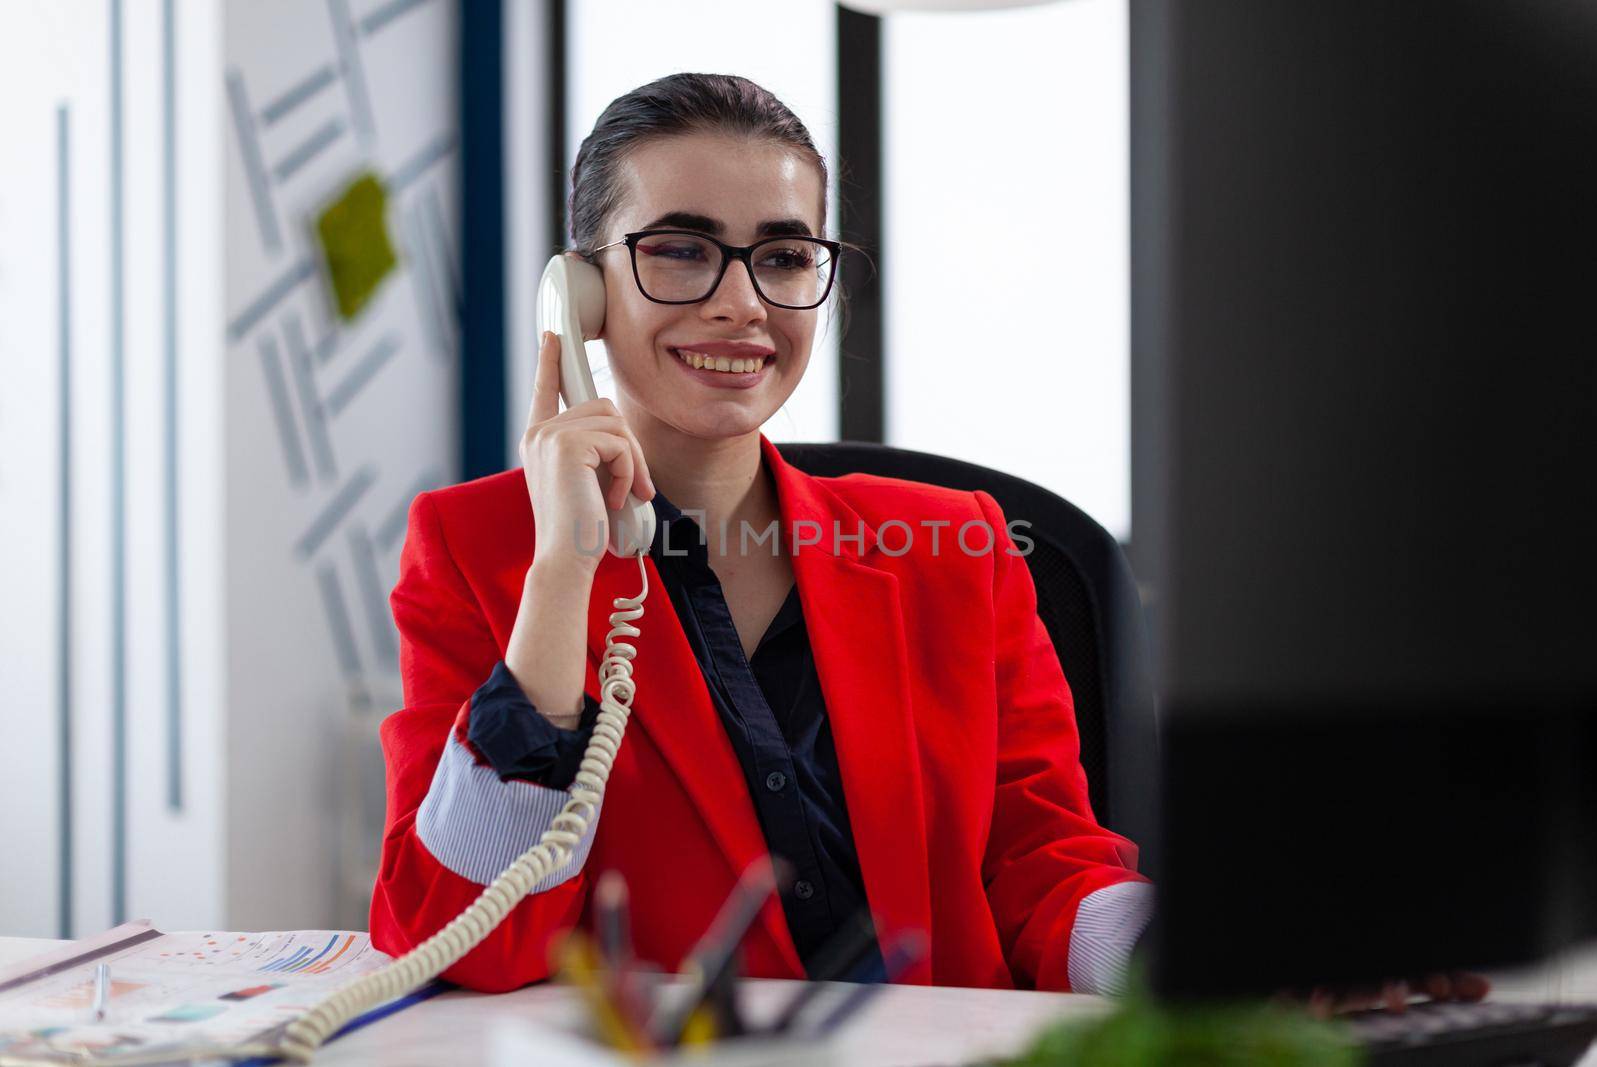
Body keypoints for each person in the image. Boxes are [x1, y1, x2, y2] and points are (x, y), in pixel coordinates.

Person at [367, 71, 1149, 996]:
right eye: (681, 250)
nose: (742, 302)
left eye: (781, 258)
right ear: (579, 294)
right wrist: (562, 575)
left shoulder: (956, 546)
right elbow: (458, 943)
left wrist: (1189, 960)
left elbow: (1047, 867)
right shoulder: (477, 546)